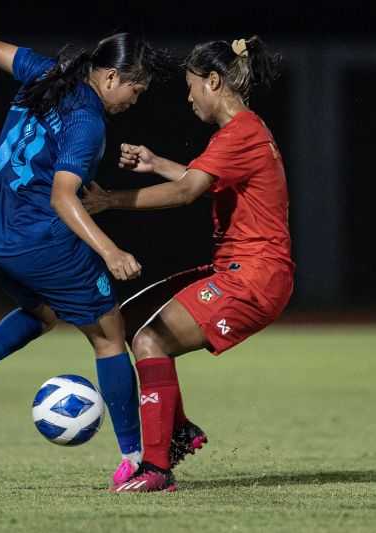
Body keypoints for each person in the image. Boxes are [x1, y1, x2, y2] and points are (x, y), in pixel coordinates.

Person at [0, 34, 172, 485]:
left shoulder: (49, 73)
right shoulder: (87, 122)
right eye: (137, 90)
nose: (136, 100)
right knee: (110, 336)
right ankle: (134, 460)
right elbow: (63, 196)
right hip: (41, 242)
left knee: (44, 311)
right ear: (111, 76)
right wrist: (110, 251)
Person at [82, 36, 294, 492]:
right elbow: (198, 179)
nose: (189, 96)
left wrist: (111, 201)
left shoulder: (240, 133)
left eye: (192, 86)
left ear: (213, 81)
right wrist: (156, 162)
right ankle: (176, 429)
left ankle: (156, 469)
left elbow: (187, 192)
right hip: (240, 270)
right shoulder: (244, 131)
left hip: (255, 278)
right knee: (128, 320)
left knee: (151, 341)